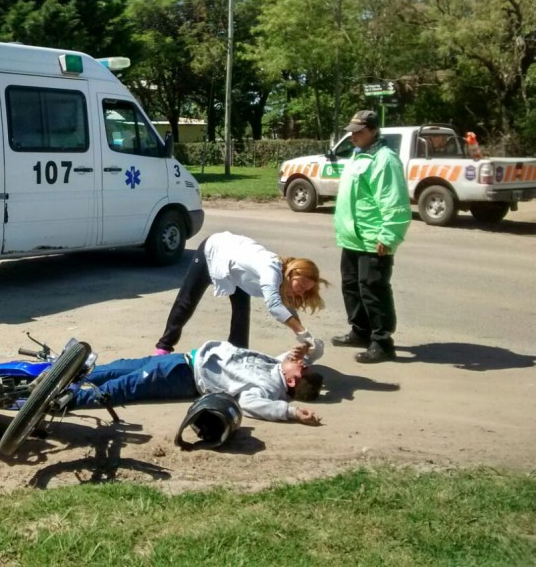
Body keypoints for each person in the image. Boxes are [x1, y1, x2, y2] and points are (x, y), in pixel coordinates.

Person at [154, 232, 327, 356]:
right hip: (213, 251)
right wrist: (303, 333)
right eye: (301, 284)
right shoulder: (271, 269)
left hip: (236, 268)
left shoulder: (285, 279)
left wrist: (303, 338)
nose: (301, 290)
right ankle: (164, 347)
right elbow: (275, 307)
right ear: (292, 272)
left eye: (306, 289)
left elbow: (286, 307)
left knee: (241, 312)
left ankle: (237, 353)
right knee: (187, 301)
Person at [71, 340, 324, 426]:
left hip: (180, 376)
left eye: (303, 368)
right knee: (111, 369)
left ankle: (54, 402)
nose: (301, 362)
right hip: (181, 359)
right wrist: (306, 348)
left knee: (117, 389)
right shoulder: (275, 367)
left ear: (292, 381)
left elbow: (250, 404)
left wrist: (290, 411)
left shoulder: (269, 387)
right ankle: (47, 377)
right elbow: (310, 348)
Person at [332, 110, 411, 363]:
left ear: (374, 130)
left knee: (373, 290)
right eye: (352, 131)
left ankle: (382, 342)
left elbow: (395, 202)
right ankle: (360, 331)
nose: (353, 136)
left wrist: (388, 236)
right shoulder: (359, 155)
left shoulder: (385, 159)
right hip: (352, 237)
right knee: (352, 287)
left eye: (359, 131)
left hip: (373, 238)